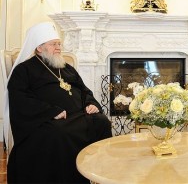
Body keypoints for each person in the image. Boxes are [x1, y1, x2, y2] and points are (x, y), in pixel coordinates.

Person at [4, 21, 112, 184]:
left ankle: (98, 174)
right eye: (53, 44)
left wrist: (91, 103)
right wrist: (50, 111)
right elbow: (20, 99)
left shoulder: (66, 67)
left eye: (59, 44)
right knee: (61, 133)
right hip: (47, 121)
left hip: (77, 115)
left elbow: (84, 90)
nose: (58, 48)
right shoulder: (24, 70)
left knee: (102, 122)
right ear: (39, 48)